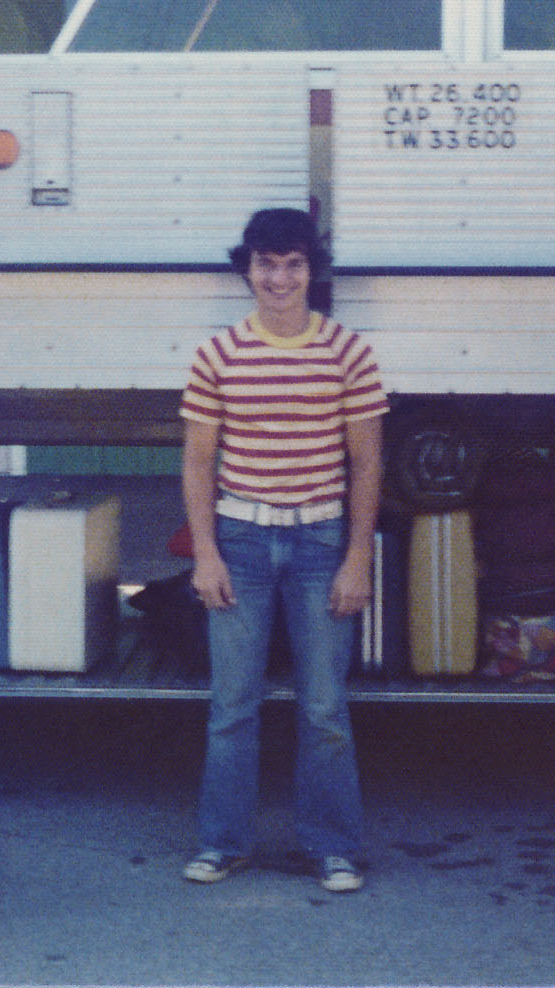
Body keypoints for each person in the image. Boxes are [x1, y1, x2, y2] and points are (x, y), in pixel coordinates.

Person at [178, 207, 389, 893]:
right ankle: (223, 842)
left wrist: (357, 559)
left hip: (320, 541)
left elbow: (367, 466)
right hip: (239, 540)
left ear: (311, 270)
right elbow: (197, 464)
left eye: (293, 263)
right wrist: (206, 554)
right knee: (232, 705)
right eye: (266, 263)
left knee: (323, 706)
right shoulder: (217, 355)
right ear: (248, 269)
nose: (279, 277)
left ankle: (332, 847)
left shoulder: (348, 352)